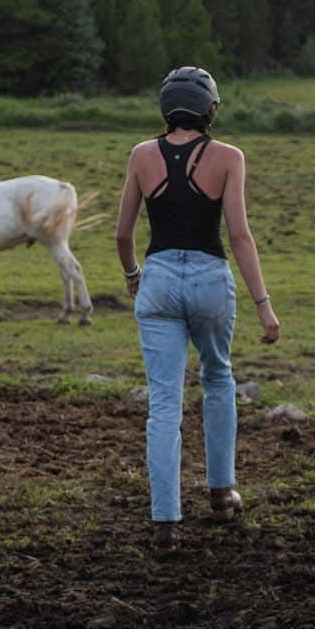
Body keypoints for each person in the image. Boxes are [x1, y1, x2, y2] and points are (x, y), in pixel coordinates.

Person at [114, 65, 281, 554]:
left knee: (164, 401)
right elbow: (239, 236)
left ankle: (165, 523)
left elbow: (123, 234)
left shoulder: (142, 155)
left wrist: (132, 277)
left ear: (166, 109)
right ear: (210, 109)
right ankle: (221, 494)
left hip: (159, 278)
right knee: (218, 378)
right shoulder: (229, 157)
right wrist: (263, 306)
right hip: (210, 279)